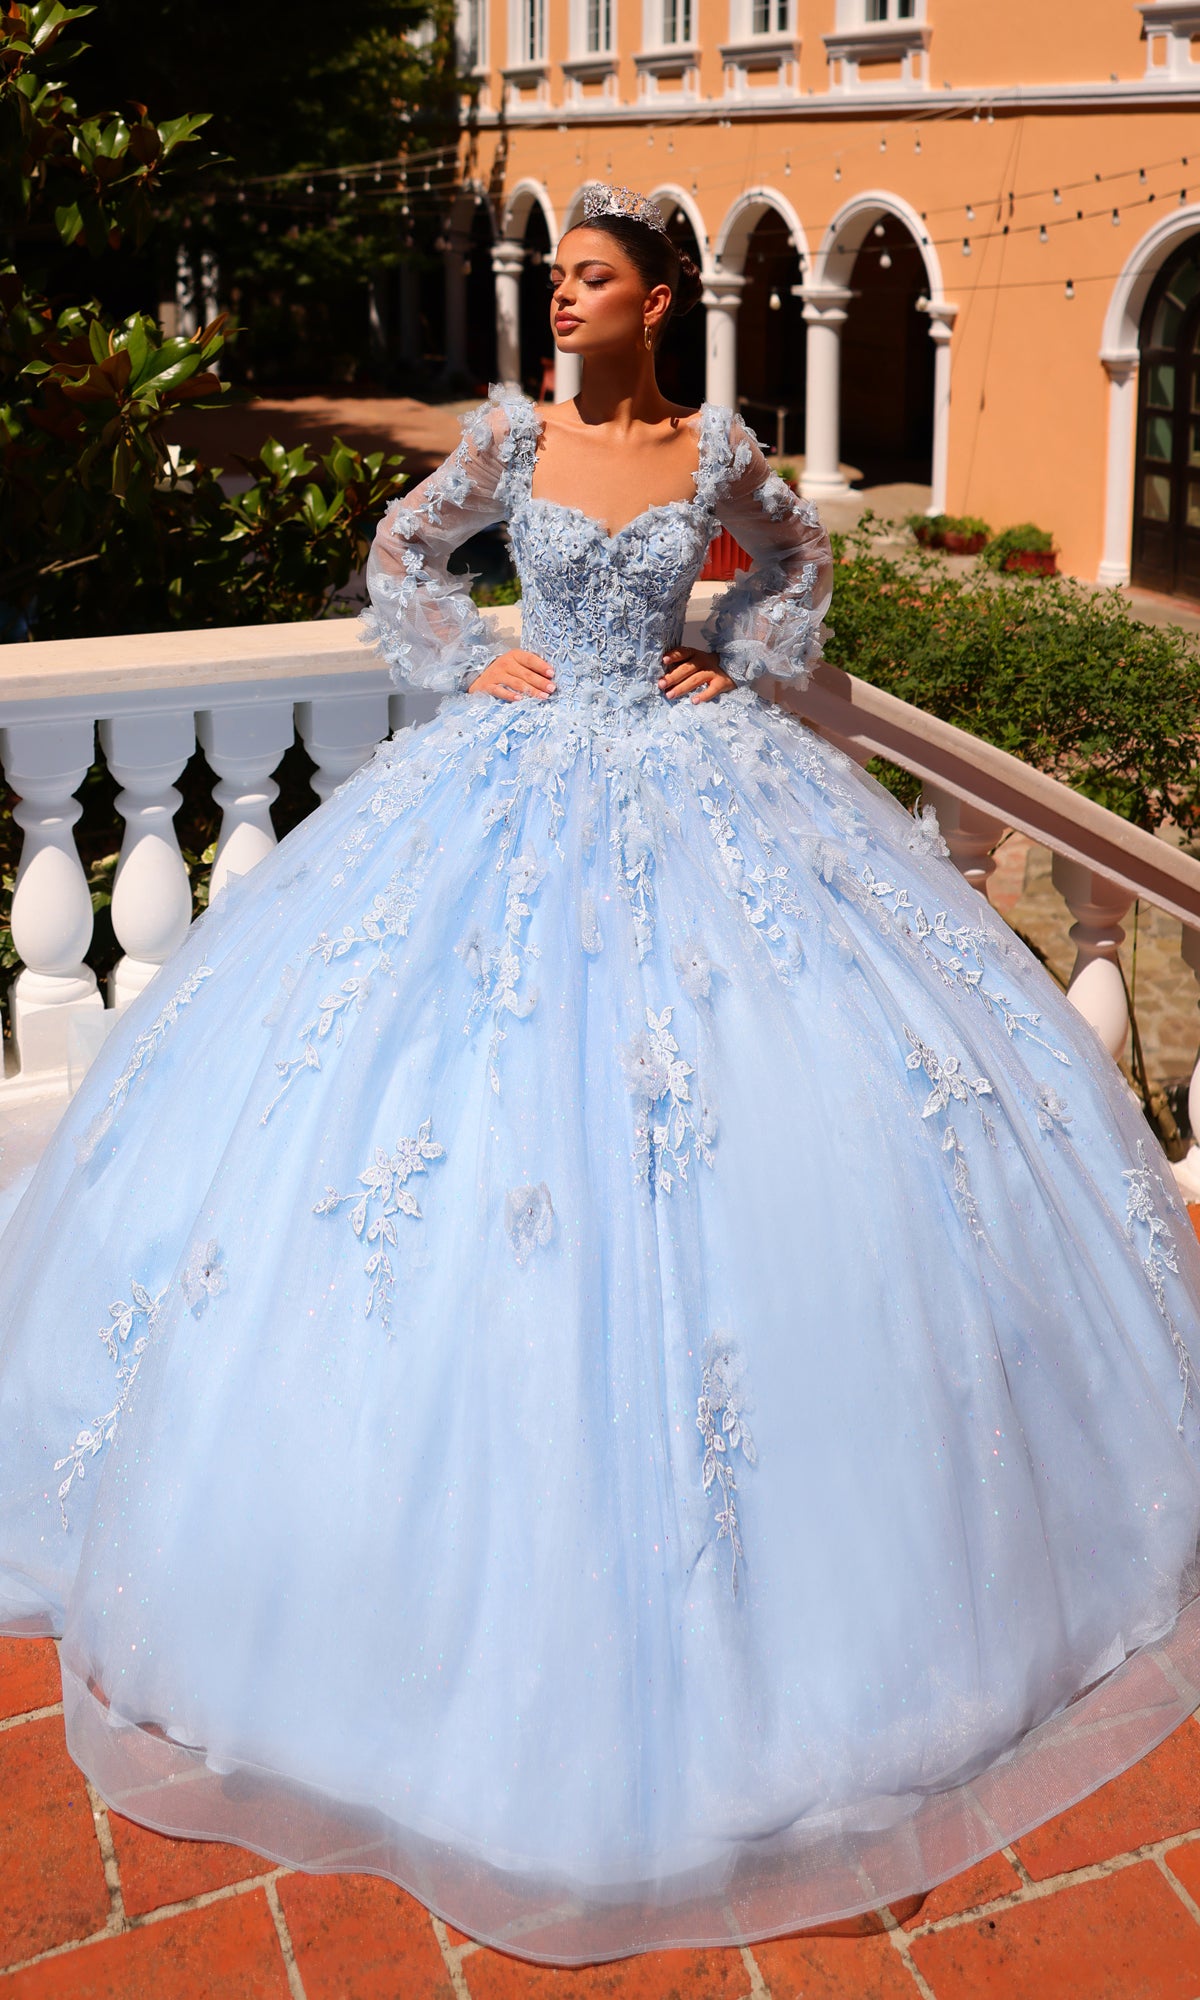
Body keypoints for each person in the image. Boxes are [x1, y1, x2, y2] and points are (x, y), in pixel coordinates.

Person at [1, 182, 1200, 1968]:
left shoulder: (721, 451)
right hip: (514, 789)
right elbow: (402, 563)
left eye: (592, 278)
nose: (562, 299)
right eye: (556, 279)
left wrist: (731, 656)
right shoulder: (507, 433)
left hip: (708, 795)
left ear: (655, 301)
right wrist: (475, 653)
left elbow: (794, 573)